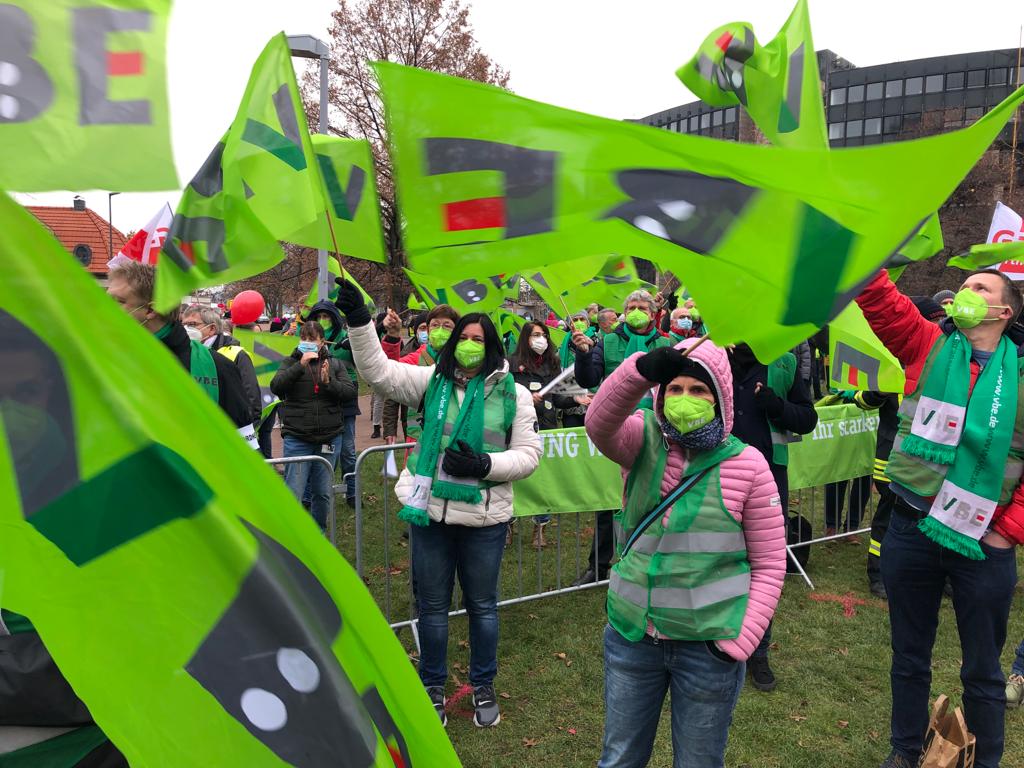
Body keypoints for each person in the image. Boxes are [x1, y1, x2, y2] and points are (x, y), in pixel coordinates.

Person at [335, 278, 541, 729]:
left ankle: (482, 684)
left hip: (484, 518)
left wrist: (484, 464)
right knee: (431, 607)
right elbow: (378, 373)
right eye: (463, 338)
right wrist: (358, 324)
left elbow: (529, 456)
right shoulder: (432, 382)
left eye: (478, 339)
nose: (469, 345)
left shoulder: (515, 394)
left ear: (492, 347)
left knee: (482, 606)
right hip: (430, 513)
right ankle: (432, 685)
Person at [585, 342, 785, 768]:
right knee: (619, 758)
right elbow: (598, 422)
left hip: (707, 648)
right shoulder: (642, 442)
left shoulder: (750, 466)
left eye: (698, 390)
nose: (684, 399)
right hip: (632, 638)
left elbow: (770, 564)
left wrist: (738, 642)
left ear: (721, 398)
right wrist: (639, 370)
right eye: (674, 388)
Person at [856, 268, 1024, 768]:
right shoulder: (927, 343)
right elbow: (881, 301)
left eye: (980, 289)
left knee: (983, 671)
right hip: (910, 528)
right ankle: (904, 751)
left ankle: (986, 759)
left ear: (1004, 312)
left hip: (983, 543)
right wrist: (870, 250)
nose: (966, 294)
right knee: (909, 658)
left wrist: (1005, 531)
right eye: (965, 286)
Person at [727, 342, 817, 693]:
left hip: (768, 479)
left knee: (763, 565)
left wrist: (776, 406)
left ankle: (758, 651)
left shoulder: (786, 363)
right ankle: (716, 637)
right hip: (715, 476)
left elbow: (807, 419)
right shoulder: (715, 354)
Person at [571, 290, 671, 586]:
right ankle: (598, 565)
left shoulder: (667, 344)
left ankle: (652, 560)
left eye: (642, 307)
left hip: (656, 431)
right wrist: (584, 354)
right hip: (616, 430)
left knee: (657, 494)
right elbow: (589, 379)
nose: (636, 311)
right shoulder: (608, 341)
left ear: (653, 313)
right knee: (608, 498)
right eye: (631, 307)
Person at [106, 261, 253, 436]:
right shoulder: (101, 357)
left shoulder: (217, 367)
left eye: (119, 301)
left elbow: (244, 447)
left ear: (150, 310)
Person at [270, 321, 356, 531]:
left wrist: (329, 383)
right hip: (298, 437)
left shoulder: (335, 364)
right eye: (304, 339)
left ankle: (319, 532)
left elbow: (350, 393)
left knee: (322, 491)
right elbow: (276, 386)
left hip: (329, 437)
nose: (308, 343)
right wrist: (299, 366)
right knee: (294, 489)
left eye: (312, 339)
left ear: (321, 342)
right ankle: (293, 535)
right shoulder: (290, 362)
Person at [509, 321, 580, 548]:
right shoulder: (510, 364)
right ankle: (508, 523)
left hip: (546, 428)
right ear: (525, 339)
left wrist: (575, 399)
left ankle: (540, 527)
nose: (541, 339)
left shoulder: (553, 364)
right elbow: (503, 396)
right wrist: (524, 399)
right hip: (516, 430)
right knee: (512, 478)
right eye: (535, 335)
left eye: (544, 335)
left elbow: (558, 398)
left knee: (543, 481)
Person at [304, 300, 360, 506]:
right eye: (318, 317)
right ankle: (309, 495)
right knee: (318, 450)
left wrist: (354, 347)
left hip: (345, 397)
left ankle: (352, 493)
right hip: (319, 399)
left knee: (347, 451)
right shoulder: (308, 340)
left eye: (326, 316)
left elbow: (364, 360)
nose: (322, 321)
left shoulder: (346, 338)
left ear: (334, 318)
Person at [181, 305, 262, 435]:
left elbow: (251, 399)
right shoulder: (184, 353)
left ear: (212, 328)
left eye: (192, 324)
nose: (186, 329)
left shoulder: (237, 354)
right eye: (183, 324)